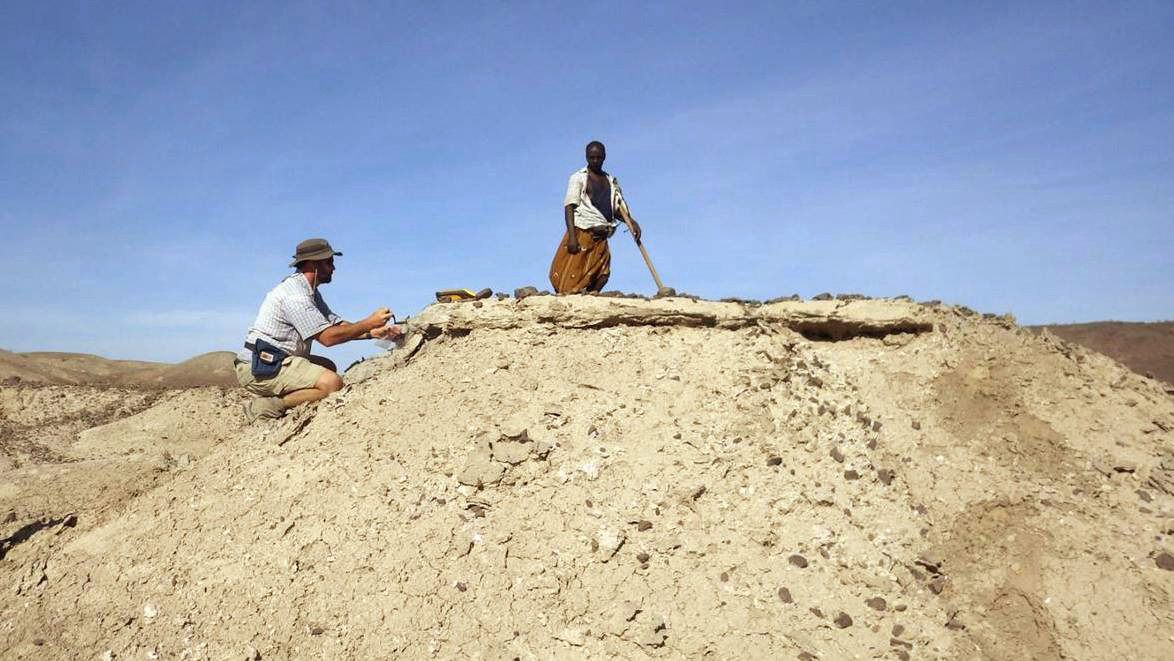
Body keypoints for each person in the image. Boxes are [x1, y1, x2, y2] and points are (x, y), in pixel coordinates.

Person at [235, 238, 403, 423]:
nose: (333, 268)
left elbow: (336, 325)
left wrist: (373, 332)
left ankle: (290, 397)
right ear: (313, 264)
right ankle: (268, 406)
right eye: (329, 262)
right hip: (260, 366)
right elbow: (327, 338)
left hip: (275, 359)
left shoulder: (310, 291)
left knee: (328, 367)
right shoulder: (295, 296)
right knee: (332, 383)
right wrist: (368, 322)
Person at [549, 141, 643, 294]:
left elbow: (617, 209)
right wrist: (572, 237)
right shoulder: (578, 178)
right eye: (592, 158)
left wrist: (632, 222)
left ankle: (589, 299)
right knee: (569, 275)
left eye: (598, 158)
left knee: (602, 275)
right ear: (586, 157)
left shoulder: (611, 182)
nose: (595, 161)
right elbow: (569, 206)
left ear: (604, 157)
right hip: (582, 233)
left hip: (602, 235)